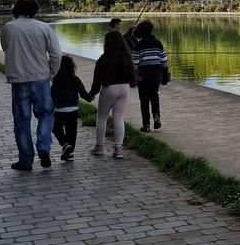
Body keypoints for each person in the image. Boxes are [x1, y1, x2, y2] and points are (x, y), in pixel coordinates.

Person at [0, 0, 62, 172]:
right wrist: (51, 73)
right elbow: (56, 54)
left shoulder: (9, 28)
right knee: (46, 114)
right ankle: (43, 146)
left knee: (21, 121)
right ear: (35, 10)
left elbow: (5, 47)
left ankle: (26, 160)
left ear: (16, 10)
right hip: (41, 78)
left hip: (18, 79)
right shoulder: (44, 27)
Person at [89, 29, 138, 159]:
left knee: (102, 118)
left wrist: (91, 94)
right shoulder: (126, 57)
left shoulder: (103, 59)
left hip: (109, 88)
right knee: (119, 118)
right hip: (124, 88)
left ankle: (99, 147)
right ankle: (118, 149)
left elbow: (96, 82)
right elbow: (134, 76)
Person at [131, 20, 169, 133]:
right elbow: (164, 61)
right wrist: (164, 76)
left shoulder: (138, 45)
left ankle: (146, 124)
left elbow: (135, 63)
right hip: (156, 74)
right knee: (154, 96)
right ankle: (157, 117)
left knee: (144, 99)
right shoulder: (158, 43)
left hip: (143, 75)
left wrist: (135, 75)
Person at [51, 55, 90, 162]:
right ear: (72, 67)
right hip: (73, 110)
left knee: (56, 129)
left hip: (60, 110)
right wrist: (90, 97)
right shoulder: (76, 79)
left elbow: (52, 96)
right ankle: (70, 152)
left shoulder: (56, 80)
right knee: (72, 132)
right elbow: (83, 94)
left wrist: (50, 108)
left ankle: (65, 144)